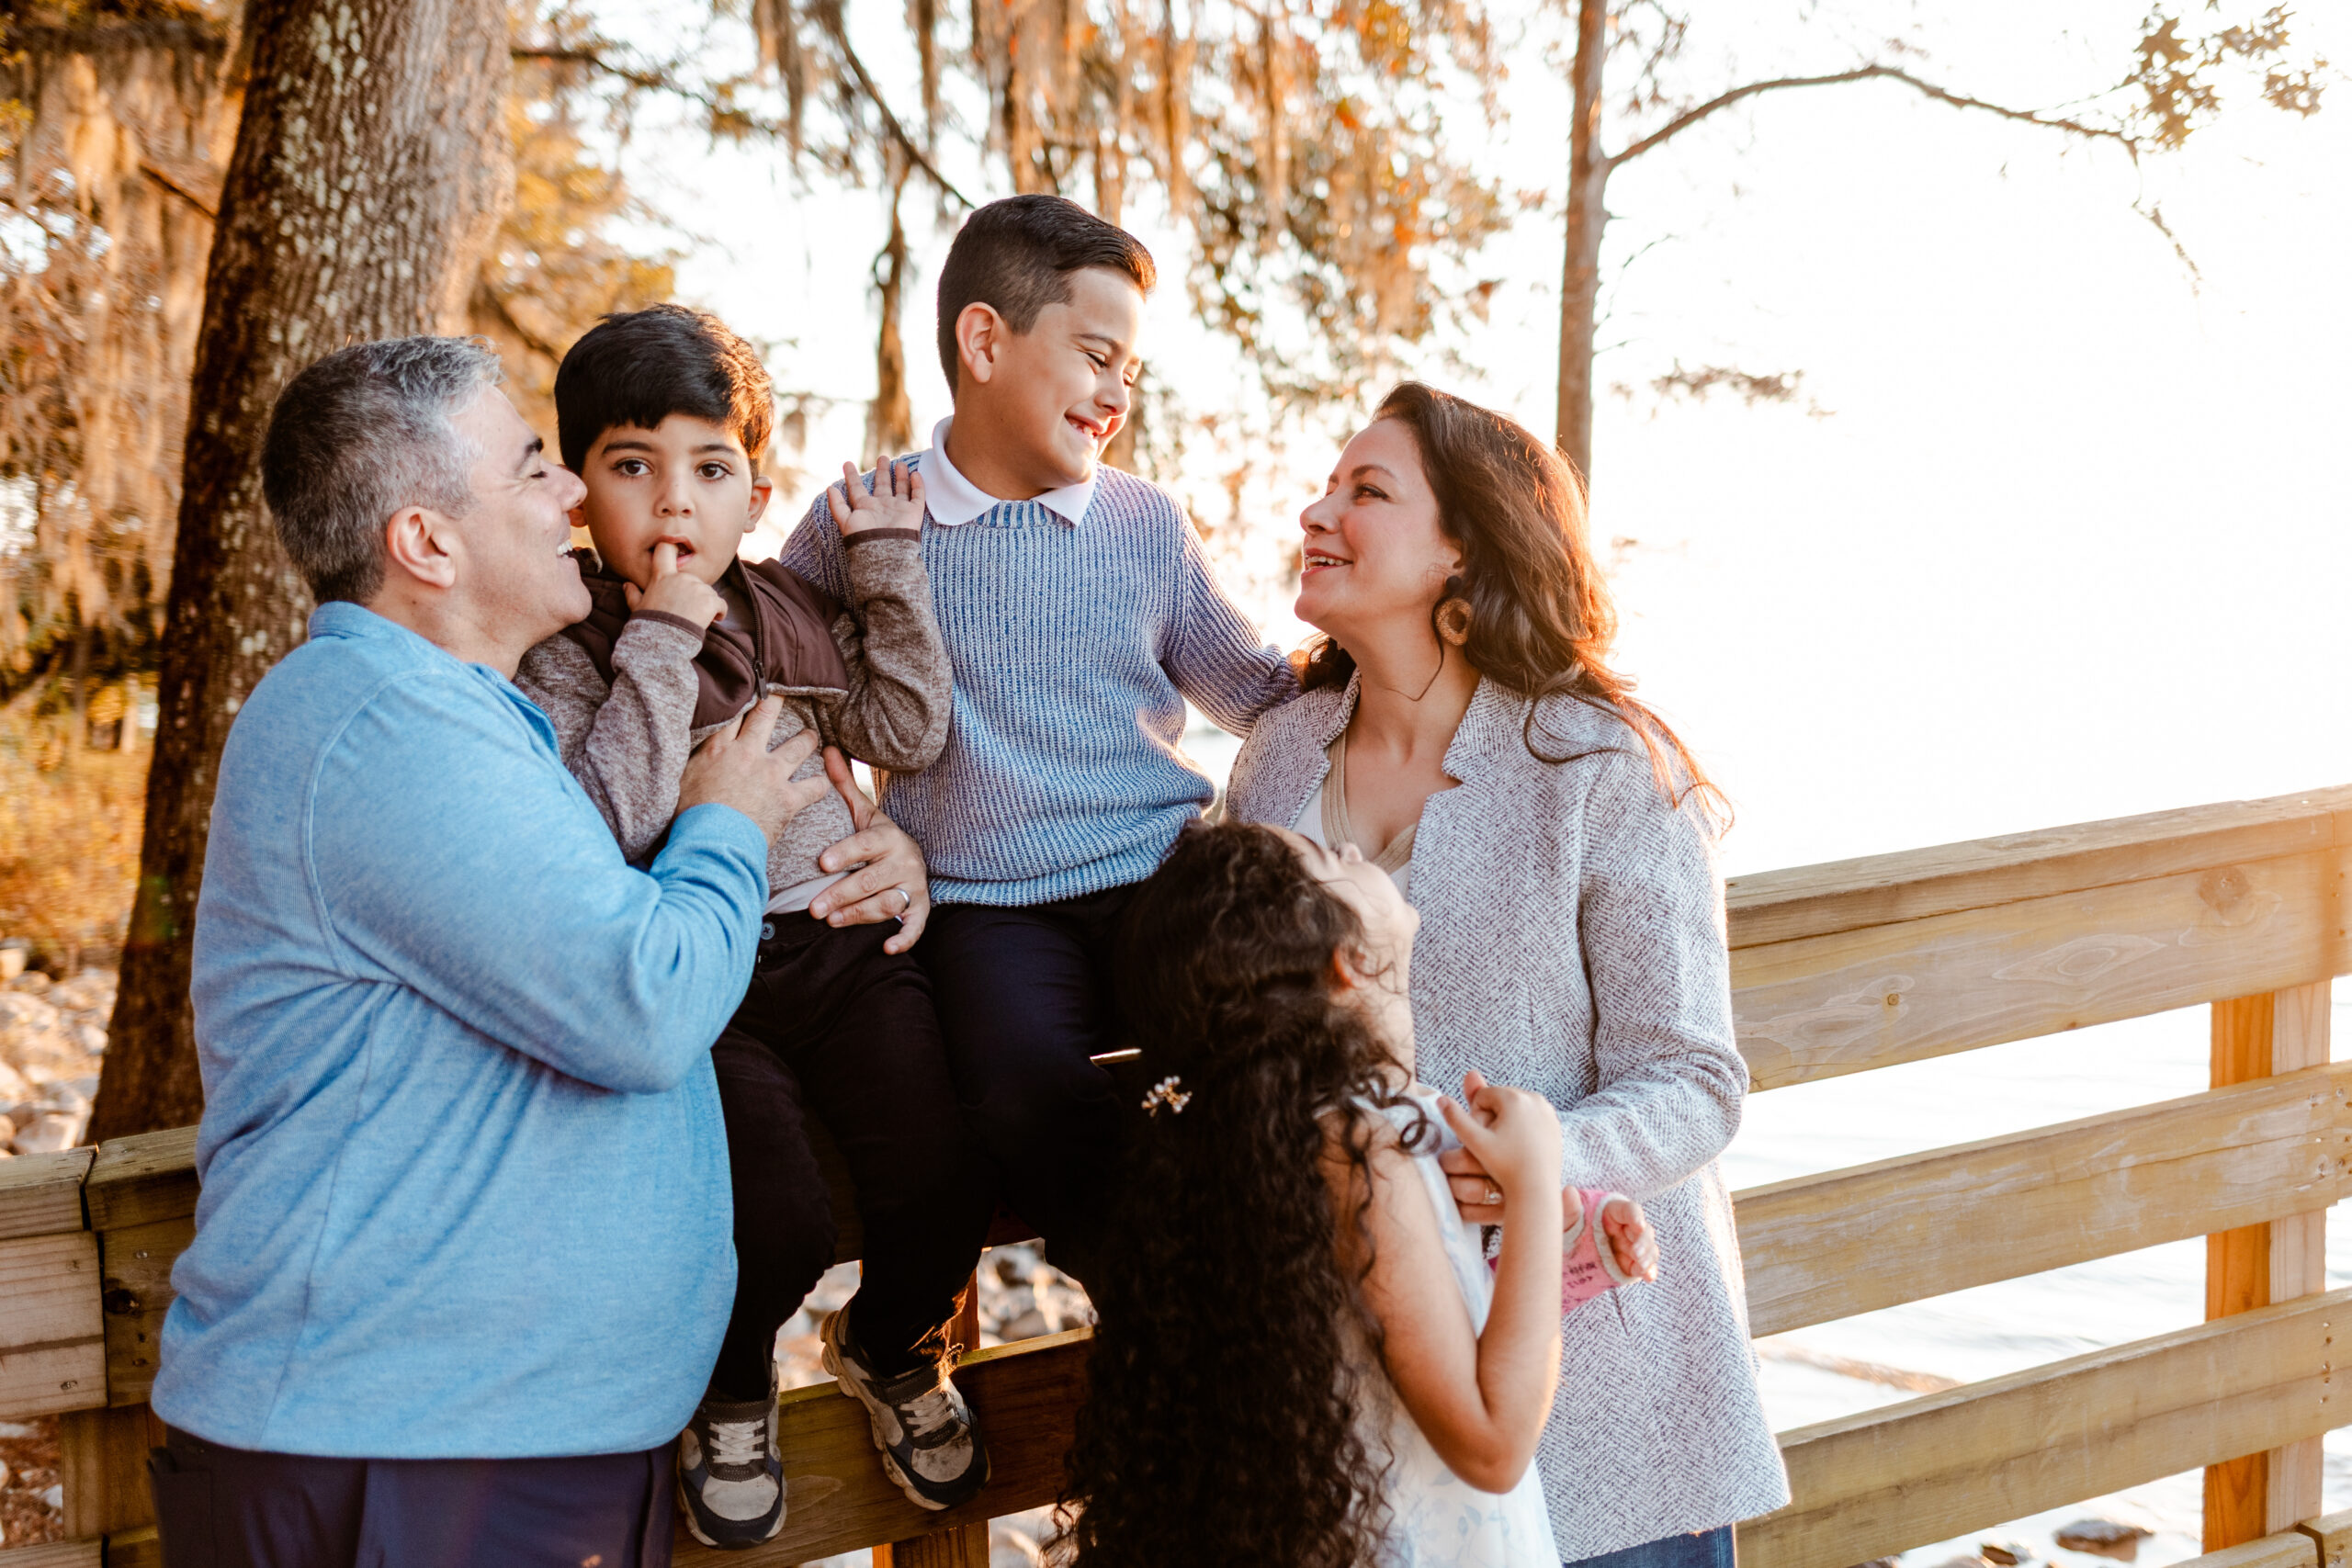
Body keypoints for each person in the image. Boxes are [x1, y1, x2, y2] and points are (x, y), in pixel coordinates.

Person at [147, 336, 922, 1568]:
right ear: (427, 542)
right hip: (404, 1448)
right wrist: (729, 818)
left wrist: (885, 846)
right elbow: (643, 998)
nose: (572, 493)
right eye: (528, 471)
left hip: (508, 1434)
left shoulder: (470, 723)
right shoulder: (381, 723)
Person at [1224, 383, 1789, 1565]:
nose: (1317, 511)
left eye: (1365, 491)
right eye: (1328, 485)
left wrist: (1540, 1165)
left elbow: (1692, 1080)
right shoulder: (1275, 759)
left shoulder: (1600, 766)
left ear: (1461, 549)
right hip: (1357, 1378)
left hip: (1594, 1394)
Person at [514, 306, 993, 1545]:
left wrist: (886, 562)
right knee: (776, 1213)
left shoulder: (788, 614)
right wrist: (664, 634)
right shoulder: (568, 649)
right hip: (699, 974)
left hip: (837, 945)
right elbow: (608, 815)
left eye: (710, 468)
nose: (675, 500)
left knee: (944, 1171)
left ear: (754, 491)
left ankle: (889, 1345)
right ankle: (732, 1385)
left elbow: (906, 729)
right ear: (578, 495)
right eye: (633, 465)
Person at [780, 195, 1296, 1280]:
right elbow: (769, 690)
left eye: (1132, 373)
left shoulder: (1145, 523)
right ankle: (1157, 1319)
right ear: (984, 342)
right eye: (1097, 356)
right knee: (1020, 1091)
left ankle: (1263, 1298)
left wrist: (1420, 663)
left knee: (1268, 1045)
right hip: (982, 909)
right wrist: (858, 820)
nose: (1118, 394)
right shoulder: (862, 519)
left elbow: (1259, 691)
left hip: (1161, 877)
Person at [1063, 818, 1656, 1568]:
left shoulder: (1329, 1134)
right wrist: (1537, 1180)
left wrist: (1565, 1235)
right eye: (1331, 859)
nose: (1349, 847)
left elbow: (1404, 1327)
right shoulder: (1362, 1149)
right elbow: (1493, 1446)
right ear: (1344, 964)